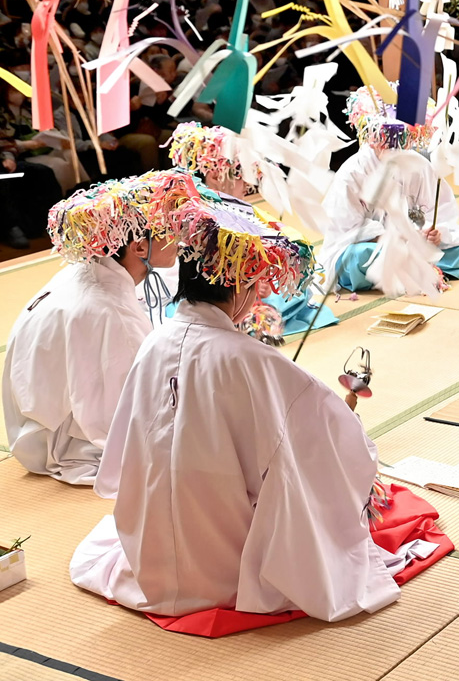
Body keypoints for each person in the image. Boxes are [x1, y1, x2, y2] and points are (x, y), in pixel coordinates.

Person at [69, 197, 404, 622]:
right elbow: (319, 439)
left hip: (149, 540)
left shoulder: (156, 339)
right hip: (227, 556)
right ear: (240, 284)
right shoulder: (249, 359)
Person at [3, 171, 193, 485]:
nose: (179, 236)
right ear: (139, 248)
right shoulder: (111, 311)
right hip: (61, 441)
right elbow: (136, 407)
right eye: (168, 229)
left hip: (31, 428)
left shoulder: (83, 273)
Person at [317, 87, 459, 294]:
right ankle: (417, 271)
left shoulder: (418, 164)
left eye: (396, 140)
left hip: (415, 244)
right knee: (359, 256)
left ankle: (414, 270)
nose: (390, 146)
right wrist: (391, 237)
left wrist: (434, 232)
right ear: (371, 138)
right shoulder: (352, 172)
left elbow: (439, 210)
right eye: (383, 140)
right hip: (375, 247)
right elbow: (343, 229)